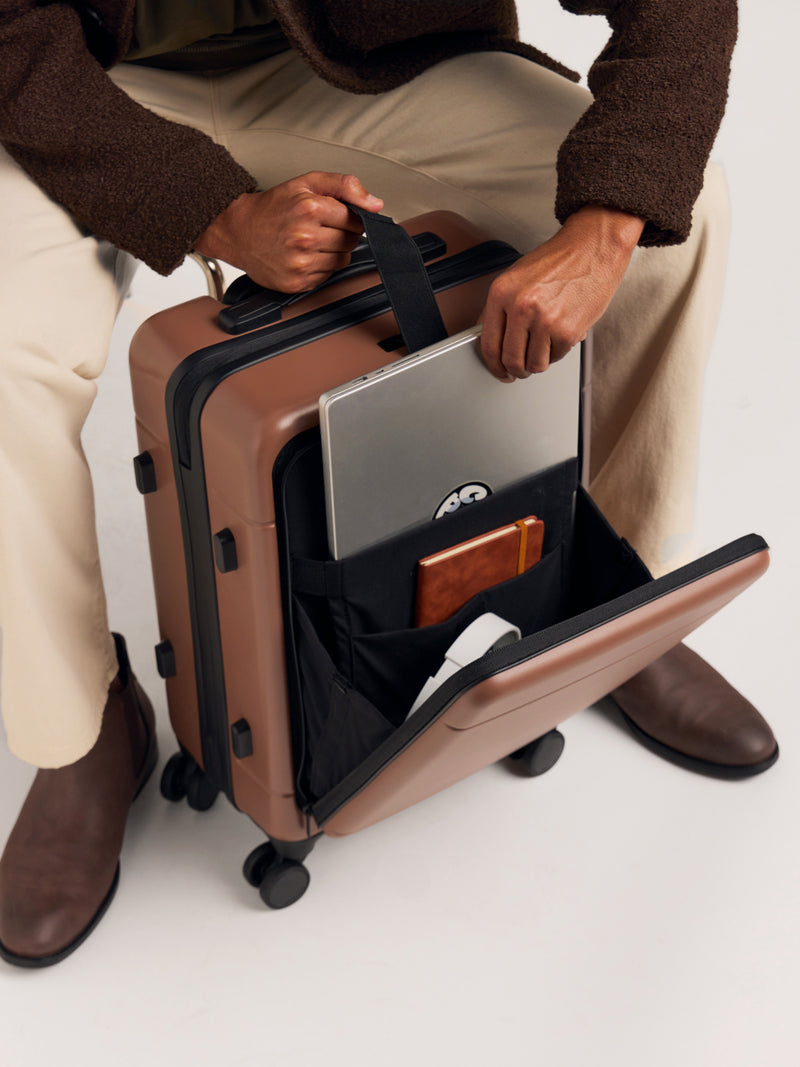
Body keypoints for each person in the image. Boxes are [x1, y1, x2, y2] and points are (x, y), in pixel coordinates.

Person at [0, 0, 778, 968]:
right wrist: (215, 210)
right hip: (83, 81)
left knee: (681, 215)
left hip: (363, 58)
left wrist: (603, 227)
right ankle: (78, 735)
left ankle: (610, 601)